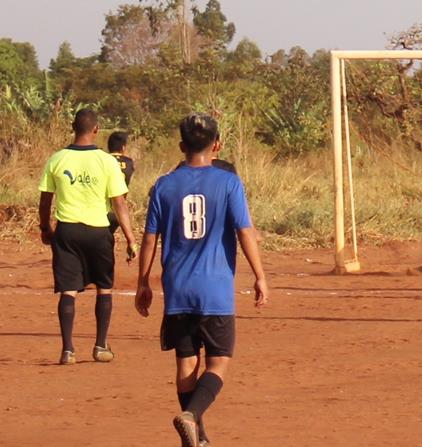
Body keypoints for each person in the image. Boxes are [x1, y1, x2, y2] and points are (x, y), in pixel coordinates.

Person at [134, 113, 268, 447]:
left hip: (177, 290)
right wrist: (260, 276)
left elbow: (150, 238)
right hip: (215, 291)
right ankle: (191, 417)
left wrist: (143, 282)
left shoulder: (164, 185)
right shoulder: (228, 182)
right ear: (217, 145)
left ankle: (199, 438)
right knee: (219, 363)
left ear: (181, 146)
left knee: (186, 364)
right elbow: (244, 231)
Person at [37, 108, 137, 365]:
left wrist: (45, 228)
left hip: (67, 230)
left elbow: (45, 199)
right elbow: (119, 204)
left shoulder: (57, 159)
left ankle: (68, 349)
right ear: (96, 130)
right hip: (98, 231)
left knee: (68, 290)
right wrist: (130, 239)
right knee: (104, 288)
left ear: (73, 127)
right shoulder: (107, 162)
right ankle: (101, 345)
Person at [106, 131, 134, 234]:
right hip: (119, 211)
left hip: (104, 210)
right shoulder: (129, 162)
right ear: (123, 147)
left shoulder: (103, 160)